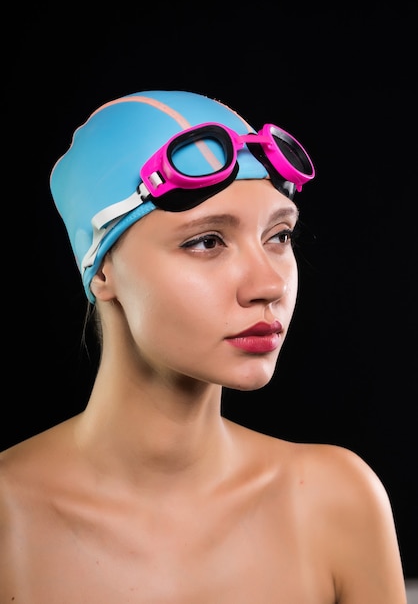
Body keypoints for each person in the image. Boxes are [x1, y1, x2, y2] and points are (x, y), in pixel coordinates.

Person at [0, 90, 406, 603]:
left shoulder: (338, 501)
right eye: (206, 241)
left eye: (278, 236)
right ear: (101, 268)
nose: (269, 284)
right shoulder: (8, 518)